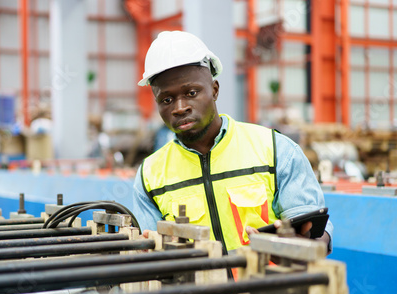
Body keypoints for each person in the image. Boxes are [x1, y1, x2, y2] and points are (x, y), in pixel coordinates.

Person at [132, 31, 333, 255]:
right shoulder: (149, 176)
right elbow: (151, 257)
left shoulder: (275, 151)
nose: (179, 108)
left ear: (214, 90)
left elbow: (314, 232)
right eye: (166, 100)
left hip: (268, 288)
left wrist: (306, 245)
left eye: (191, 92)